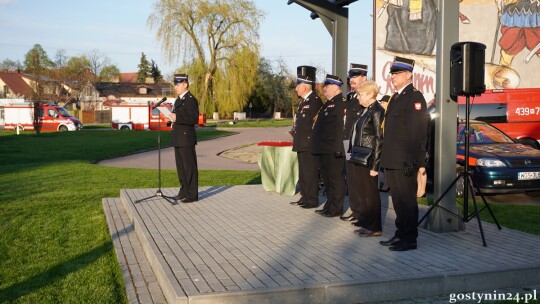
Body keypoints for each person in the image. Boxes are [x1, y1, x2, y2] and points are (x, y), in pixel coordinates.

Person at [379, 56, 429, 251]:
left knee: (407, 201)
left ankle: (410, 239)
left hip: (404, 160)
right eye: (392, 73)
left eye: (397, 73)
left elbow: (417, 132)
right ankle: (400, 234)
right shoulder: (395, 97)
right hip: (392, 157)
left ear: (409, 74)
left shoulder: (414, 97)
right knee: (398, 201)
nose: (393, 77)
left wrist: (413, 159)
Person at [346, 81, 385, 236]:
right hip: (359, 155)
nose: (358, 98)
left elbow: (379, 138)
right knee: (362, 192)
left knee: (370, 194)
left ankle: (375, 227)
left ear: (370, 94)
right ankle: (366, 222)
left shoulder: (376, 110)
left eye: (361, 94)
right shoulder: (366, 110)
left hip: (368, 158)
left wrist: (375, 166)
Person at [312, 74, 346, 217]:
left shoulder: (341, 103)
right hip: (323, 149)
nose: (324, 89)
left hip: (333, 149)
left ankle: (336, 208)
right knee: (327, 179)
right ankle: (329, 205)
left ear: (335, 87)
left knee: (335, 180)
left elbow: (341, 128)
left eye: (327, 86)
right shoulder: (327, 104)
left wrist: (339, 148)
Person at [291, 66, 323, 209]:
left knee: (310, 173)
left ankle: (312, 199)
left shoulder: (315, 101)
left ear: (304, 86)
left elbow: (317, 125)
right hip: (300, 143)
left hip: (309, 144)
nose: (296, 89)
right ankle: (305, 197)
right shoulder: (303, 102)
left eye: (297, 85)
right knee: (303, 173)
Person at [341, 63, 368, 221]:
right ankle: (355, 209)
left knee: (360, 179)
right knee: (351, 177)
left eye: (355, 76)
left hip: (359, 144)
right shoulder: (351, 97)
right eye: (350, 76)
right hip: (348, 143)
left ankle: (363, 211)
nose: (351, 79)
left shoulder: (367, 96)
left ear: (364, 77)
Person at [169, 74, 199, 203]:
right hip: (178, 137)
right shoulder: (177, 100)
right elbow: (178, 117)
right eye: (175, 84)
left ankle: (192, 194)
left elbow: (193, 119)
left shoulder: (191, 99)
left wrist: (177, 118)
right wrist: (171, 120)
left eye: (178, 84)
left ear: (185, 84)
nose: (175, 86)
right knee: (181, 168)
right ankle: (183, 191)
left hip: (186, 138)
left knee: (189, 167)